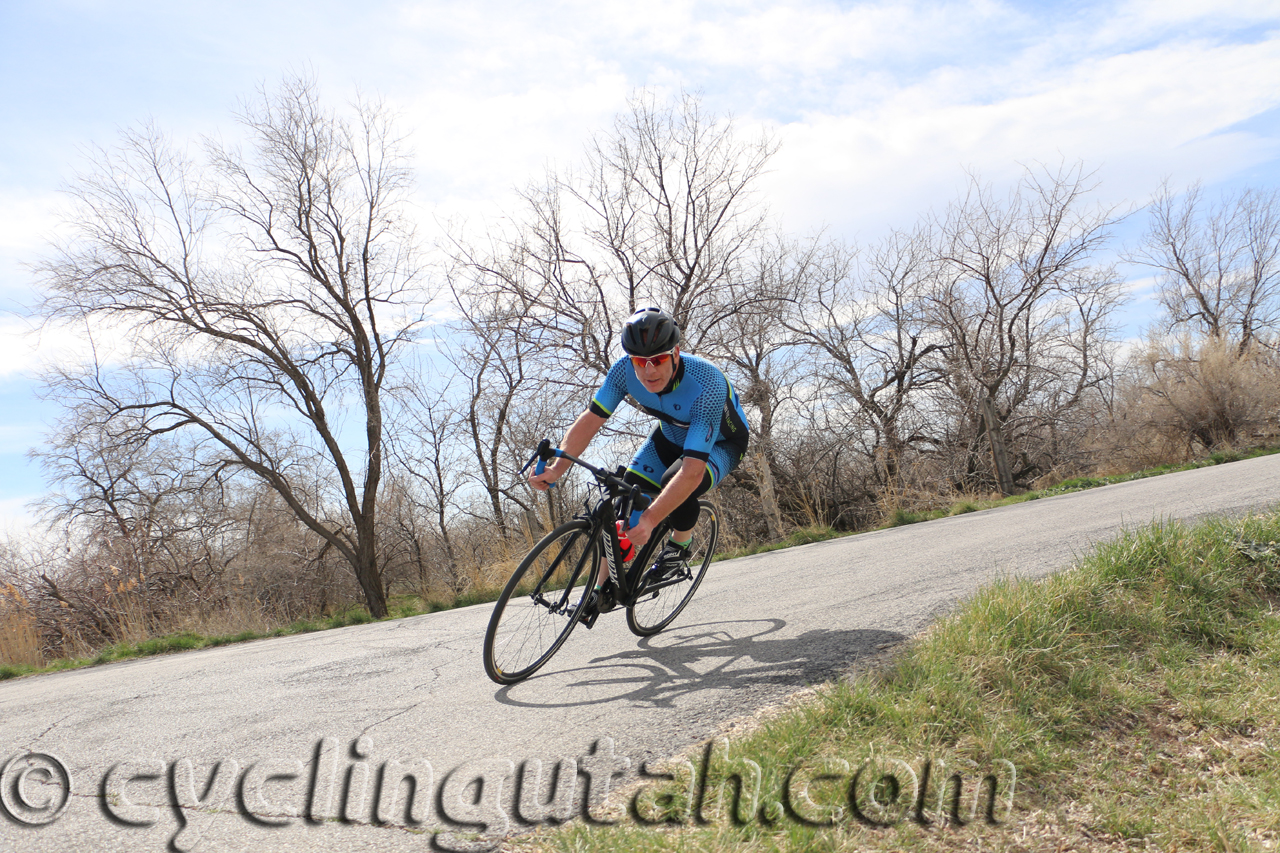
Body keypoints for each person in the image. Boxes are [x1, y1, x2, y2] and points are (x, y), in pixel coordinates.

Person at [528, 306, 750, 622]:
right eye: (639, 362)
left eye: (657, 359)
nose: (648, 371)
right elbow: (591, 419)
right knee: (625, 503)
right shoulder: (623, 372)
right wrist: (557, 469)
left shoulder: (706, 384)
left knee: (675, 486)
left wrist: (649, 518)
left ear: (675, 353)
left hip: (722, 444)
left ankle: (679, 547)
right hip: (671, 434)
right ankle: (600, 591)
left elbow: (690, 473)